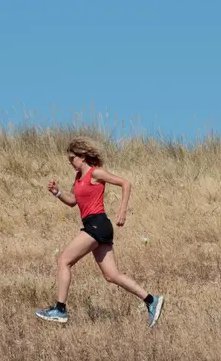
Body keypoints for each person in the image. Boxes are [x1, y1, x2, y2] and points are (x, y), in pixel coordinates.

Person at [35, 136, 165, 327]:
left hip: (98, 223)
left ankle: (60, 309)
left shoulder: (96, 173)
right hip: (94, 225)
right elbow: (73, 202)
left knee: (64, 260)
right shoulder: (78, 177)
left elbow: (125, 184)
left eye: (72, 159)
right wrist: (57, 192)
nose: (70, 163)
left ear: (82, 156)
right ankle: (151, 300)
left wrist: (122, 211)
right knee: (111, 275)